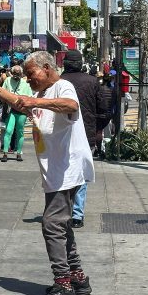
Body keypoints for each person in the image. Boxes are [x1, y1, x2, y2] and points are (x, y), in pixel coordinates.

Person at [0, 51, 94, 295]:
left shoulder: (63, 86)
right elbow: (20, 101)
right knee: (62, 225)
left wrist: (35, 102)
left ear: (48, 68)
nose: (28, 79)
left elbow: (71, 106)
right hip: (55, 171)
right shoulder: (40, 94)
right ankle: (78, 278)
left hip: (67, 170)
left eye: (32, 74)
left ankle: (63, 286)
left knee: (52, 225)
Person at [60, 49, 108, 228]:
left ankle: (64, 209)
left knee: (63, 172)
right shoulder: (92, 81)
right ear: (81, 64)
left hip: (62, 135)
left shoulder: (58, 82)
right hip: (87, 135)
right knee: (81, 174)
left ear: (65, 64)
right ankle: (78, 214)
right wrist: (98, 129)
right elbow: (103, 108)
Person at [0, 65, 32, 163]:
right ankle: (5, 152)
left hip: (21, 111)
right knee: (8, 130)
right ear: (12, 73)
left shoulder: (25, 83)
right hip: (11, 110)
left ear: (21, 74)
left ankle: (18, 152)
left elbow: (29, 96)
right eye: (14, 73)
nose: (16, 76)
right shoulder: (7, 81)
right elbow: (2, 92)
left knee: (20, 131)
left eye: (18, 74)